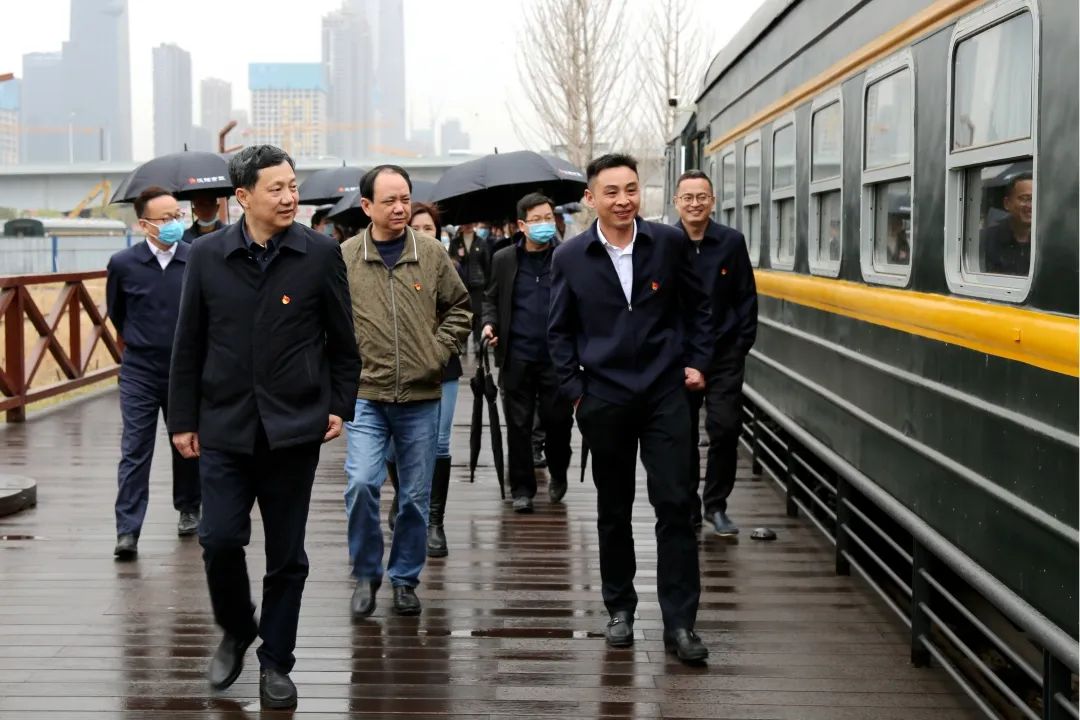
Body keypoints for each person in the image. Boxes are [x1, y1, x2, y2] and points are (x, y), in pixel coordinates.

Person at [168, 144, 360, 710]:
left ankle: (276, 661)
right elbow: (188, 342)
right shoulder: (207, 255)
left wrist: (339, 404)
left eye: (292, 186)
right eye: (276, 188)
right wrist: (182, 419)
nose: (289, 197)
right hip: (223, 424)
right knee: (219, 538)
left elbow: (343, 341)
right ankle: (236, 626)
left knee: (287, 555)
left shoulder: (319, 253)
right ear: (243, 196)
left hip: (294, 426)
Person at [548, 153, 713, 664]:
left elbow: (699, 307)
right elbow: (559, 332)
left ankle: (680, 623)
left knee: (676, 505)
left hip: (666, 393)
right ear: (591, 198)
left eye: (632, 190)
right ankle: (620, 608)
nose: (624, 201)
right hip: (605, 397)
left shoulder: (667, 243)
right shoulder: (570, 257)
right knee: (613, 509)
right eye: (612, 192)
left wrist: (697, 361)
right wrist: (578, 393)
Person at [341, 165, 471, 620]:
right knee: (361, 483)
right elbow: (327, 320)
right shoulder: (346, 257)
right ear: (366, 206)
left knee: (414, 497)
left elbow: (460, 307)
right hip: (365, 393)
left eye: (405, 199)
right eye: (389, 201)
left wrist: (438, 350)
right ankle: (365, 572)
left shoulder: (431, 253)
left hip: (421, 396)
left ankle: (404, 579)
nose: (400, 208)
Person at [105, 186, 201, 560]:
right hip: (140, 370)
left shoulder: (195, 258)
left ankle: (189, 508)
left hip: (185, 369)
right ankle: (127, 530)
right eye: (166, 218)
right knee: (135, 447)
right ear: (144, 224)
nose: (175, 223)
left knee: (187, 442)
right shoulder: (123, 263)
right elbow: (117, 312)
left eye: (178, 215)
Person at [672, 170, 758, 536]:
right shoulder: (664, 243)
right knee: (682, 435)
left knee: (725, 429)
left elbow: (746, 297)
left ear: (713, 200)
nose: (695, 204)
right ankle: (689, 505)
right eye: (688, 197)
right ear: (677, 202)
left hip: (724, 355)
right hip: (680, 357)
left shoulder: (731, 243)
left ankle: (716, 505)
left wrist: (740, 346)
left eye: (702, 197)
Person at [482, 192, 573, 513]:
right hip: (516, 355)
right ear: (522, 225)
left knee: (558, 422)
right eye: (536, 220)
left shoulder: (566, 257)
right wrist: (489, 324)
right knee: (518, 426)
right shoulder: (504, 259)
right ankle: (522, 489)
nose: (544, 224)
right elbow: (491, 298)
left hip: (557, 358)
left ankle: (559, 469)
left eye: (548, 218)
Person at [385, 202, 464, 558]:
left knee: (440, 443)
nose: (421, 234)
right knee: (392, 446)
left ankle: (434, 522)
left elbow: (461, 311)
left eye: (428, 228)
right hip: (395, 369)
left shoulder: (447, 267)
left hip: (440, 366)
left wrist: (439, 346)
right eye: (415, 228)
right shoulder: (389, 266)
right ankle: (404, 497)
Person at [448, 222, 491, 351]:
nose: (468, 225)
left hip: (478, 284)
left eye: (471, 223)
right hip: (460, 283)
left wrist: (486, 284)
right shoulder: (455, 242)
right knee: (462, 313)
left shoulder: (481, 242)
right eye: (465, 223)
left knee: (477, 314)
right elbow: (450, 261)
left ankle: (477, 341)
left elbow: (487, 264)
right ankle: (463, 341)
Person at [981, 172, 1033, 276]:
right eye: (1024, 199)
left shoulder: (1047, 242)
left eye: (1035, 199)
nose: (1031, 206)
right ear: (1007, 203)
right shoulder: (984, 240)